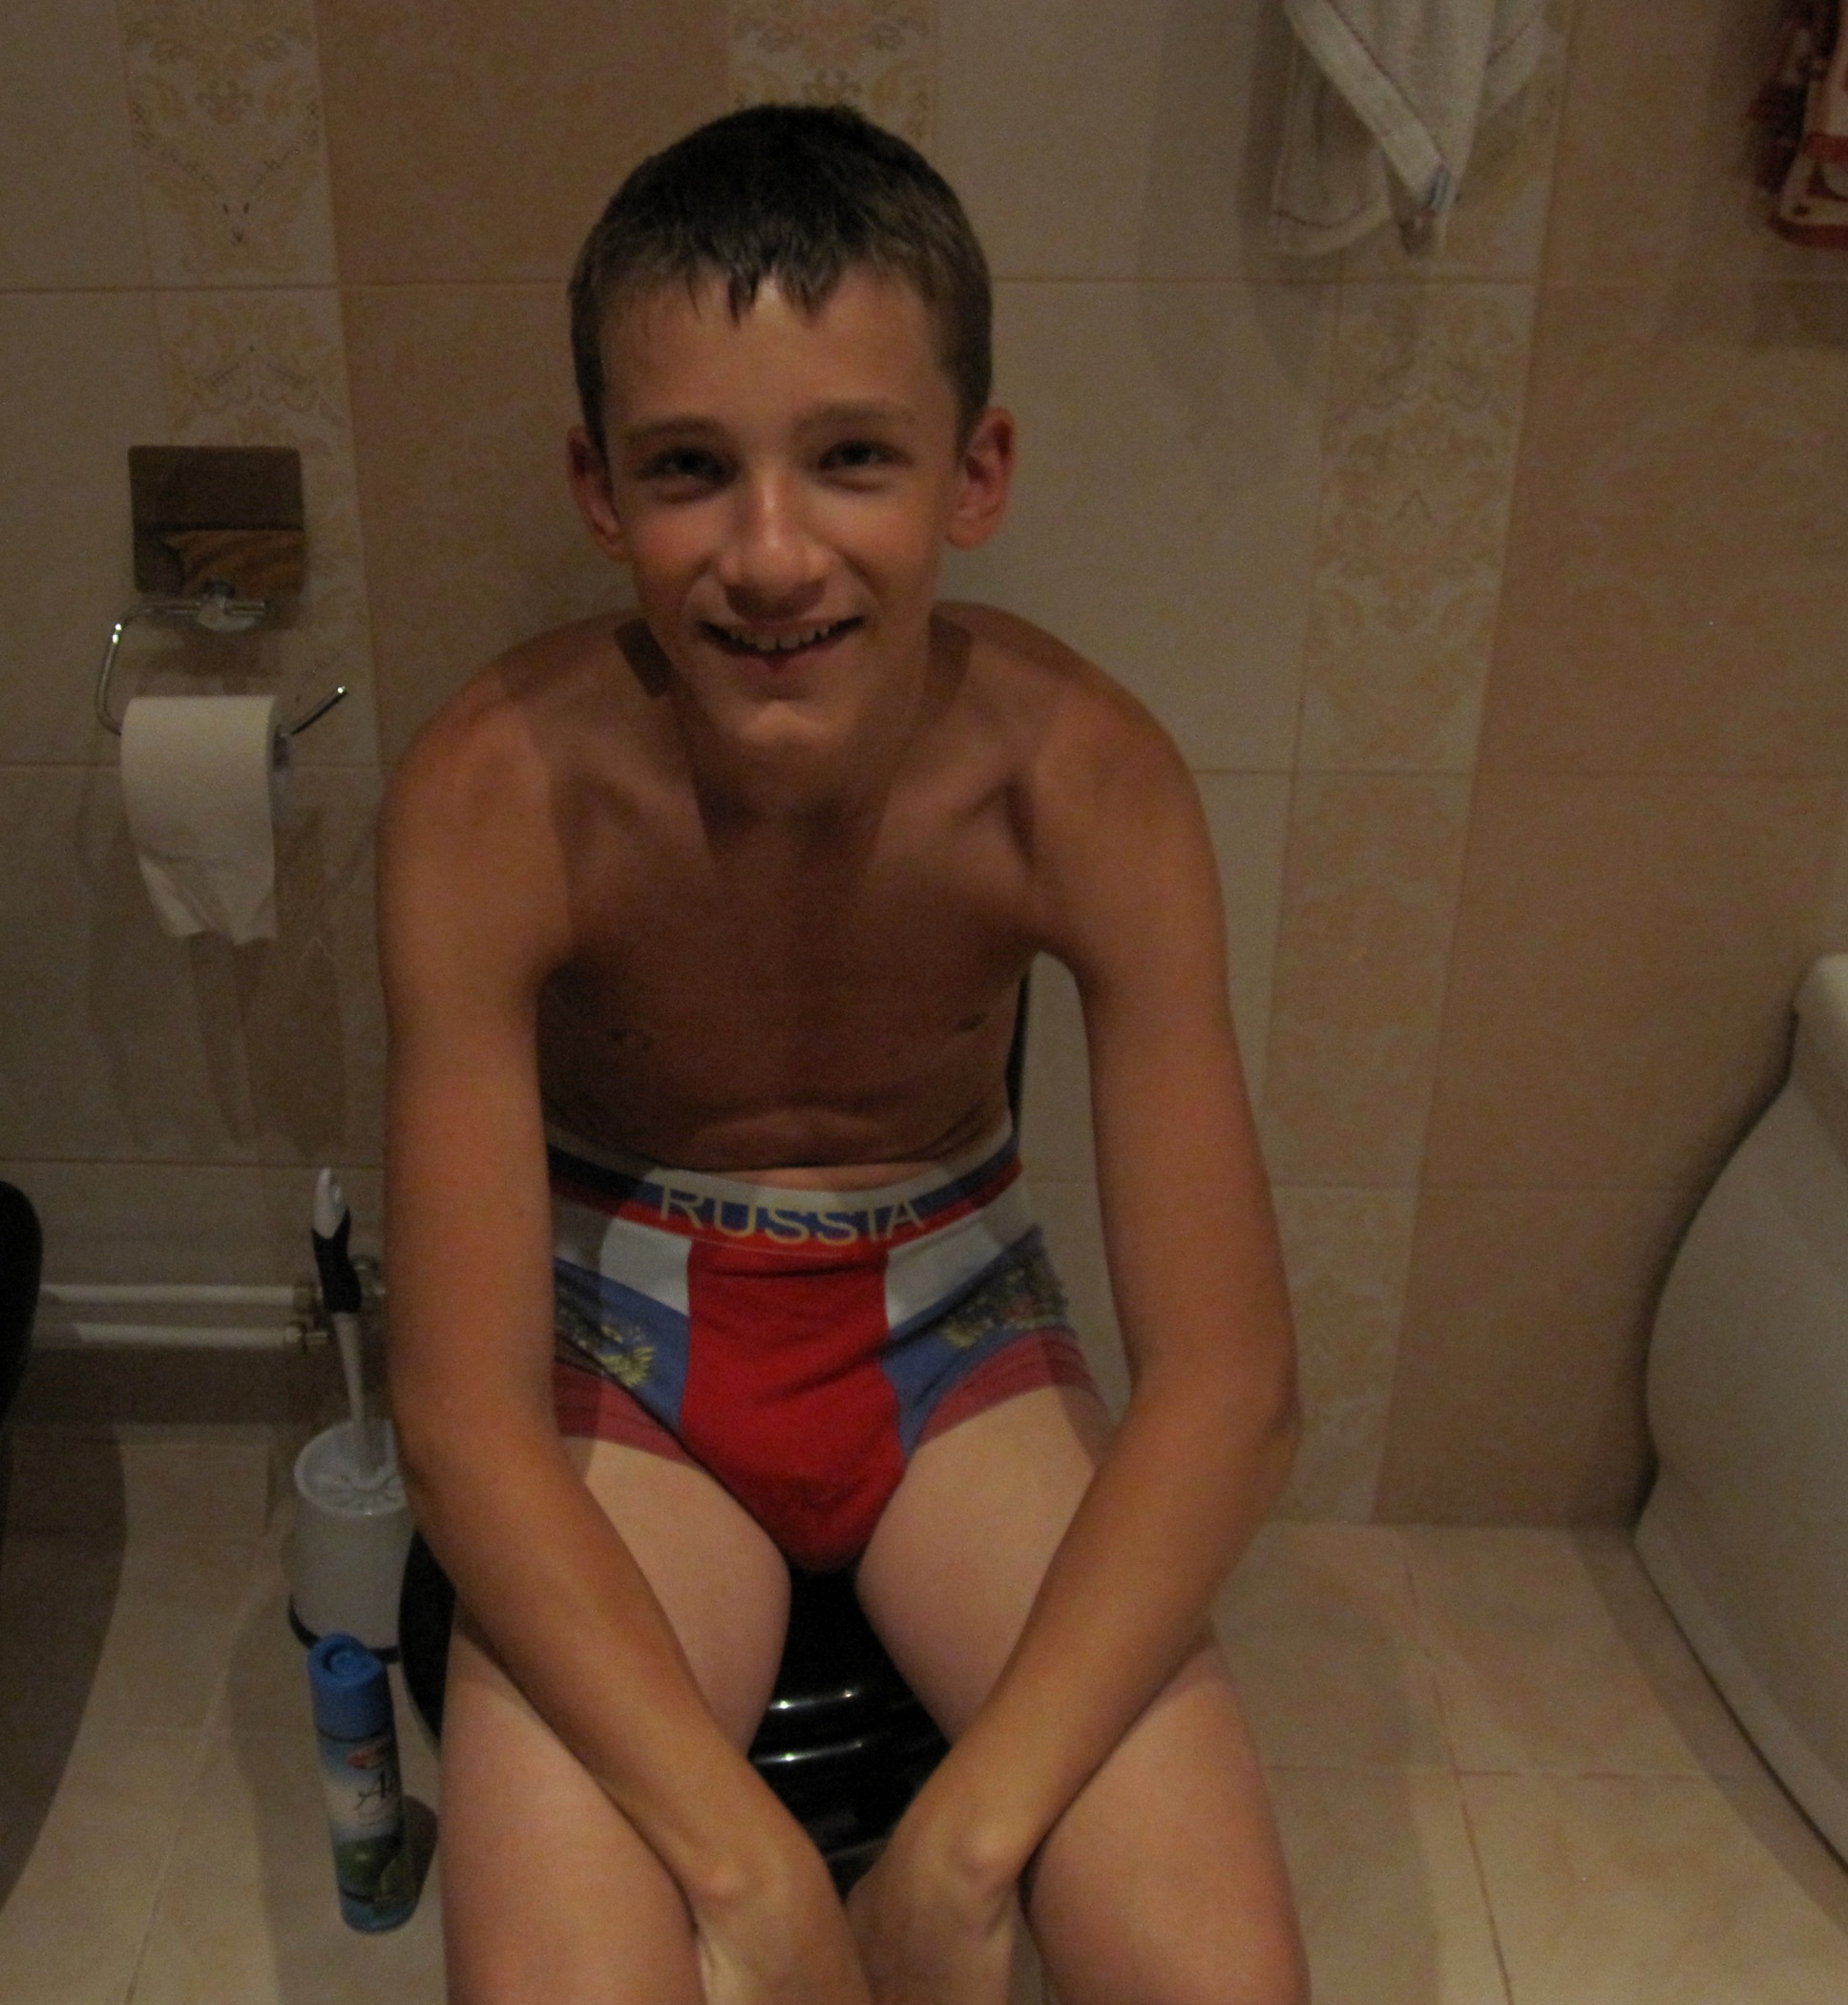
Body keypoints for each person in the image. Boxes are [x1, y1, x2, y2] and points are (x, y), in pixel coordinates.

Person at [381, 103, 1306, 2005]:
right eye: (690, 469)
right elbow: (462, 1419)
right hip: (621, 1362)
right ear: (596, 490)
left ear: (976, 472)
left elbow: (1230, 1387)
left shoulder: (1081, 782)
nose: (771, 555)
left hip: (957, 1344)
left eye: (853, 458)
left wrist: (959, 1861)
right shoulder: (499, 794)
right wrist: (759, 1882)